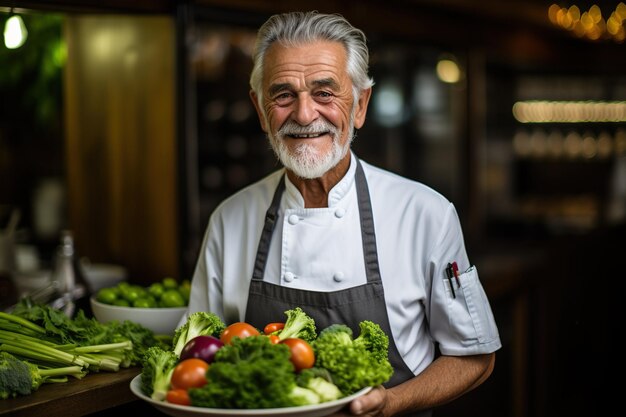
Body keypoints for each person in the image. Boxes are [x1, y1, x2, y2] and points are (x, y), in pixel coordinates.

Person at [185, 11, 501, 416]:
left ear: (360, 104)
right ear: (261, 111)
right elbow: (197, 354)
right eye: (283, 94)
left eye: (324, 93)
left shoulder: (426, 214)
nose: (303, 115)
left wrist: (392, 403)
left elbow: (475, 356)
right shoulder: (230, 220)